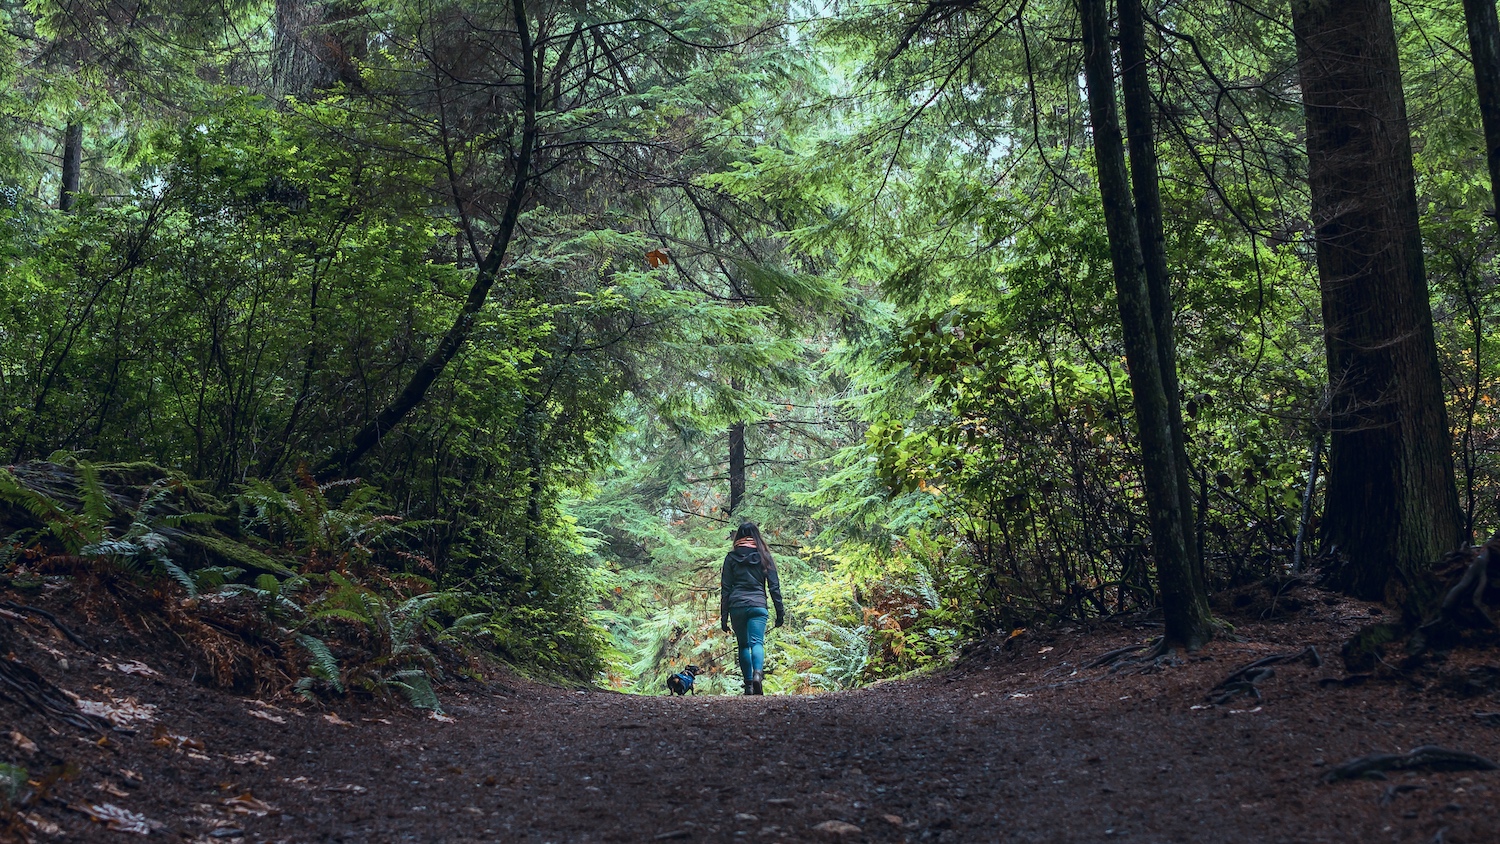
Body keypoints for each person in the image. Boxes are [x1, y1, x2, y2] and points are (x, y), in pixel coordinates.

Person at [720, 521, 785, 695]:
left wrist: (723, 616)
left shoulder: (731, 557)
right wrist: (780, 613)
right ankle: (758, 675)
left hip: (737, 606)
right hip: (758, 605)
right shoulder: (764, 556)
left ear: (738, 537)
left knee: (743, 645)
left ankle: (748, 685)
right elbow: (774, 587)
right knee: (757, 642)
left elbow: (725, 589)